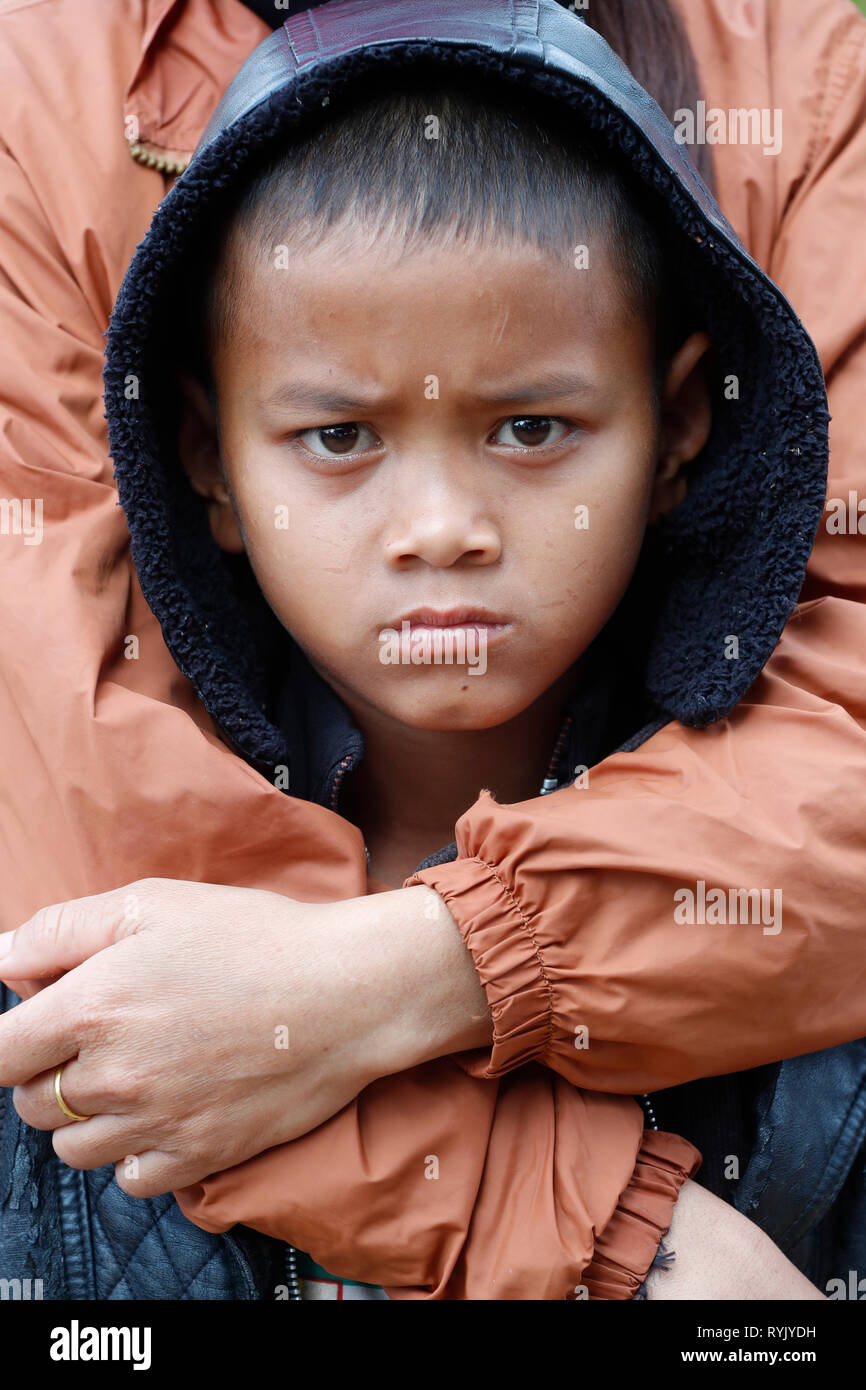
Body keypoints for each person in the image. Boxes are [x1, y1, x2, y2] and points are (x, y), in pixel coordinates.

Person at [0, 0, 863, 1300]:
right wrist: (619, 1236)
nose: (443, 529)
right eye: (339, 438)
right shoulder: (43, 75)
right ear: (205, 460)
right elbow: (63, 779)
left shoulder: (797, 65)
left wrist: (427, 967)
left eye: (527, 429)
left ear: (682, 427)